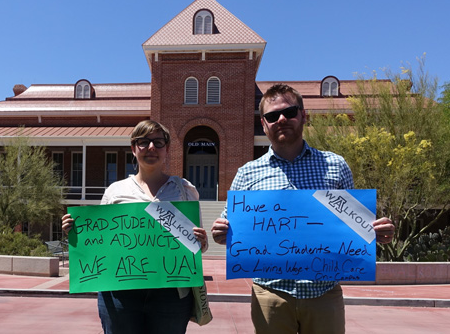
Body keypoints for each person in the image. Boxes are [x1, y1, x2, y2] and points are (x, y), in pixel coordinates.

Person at [211, 84, 395, 334]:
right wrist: (221, 232)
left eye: (290, 111)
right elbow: (227, 226)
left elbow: (356, 225)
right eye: (272, 116)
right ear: (264, 125)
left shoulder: (335, 165)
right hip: (270, 295)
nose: (282, 119)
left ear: (304, 115)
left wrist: (377, 231)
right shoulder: (247, 173)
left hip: (324, 294)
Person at [62, 120, 208, 334]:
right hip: (121, 292)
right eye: (143, 142)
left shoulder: (185, 190)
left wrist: (201, 242)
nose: (151, 148)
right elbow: (100, 243)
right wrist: (76, 233)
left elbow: (199, 246)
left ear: (167, 149)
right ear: (133, 148)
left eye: (158, 142)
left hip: (171, 294)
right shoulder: (115, 191)